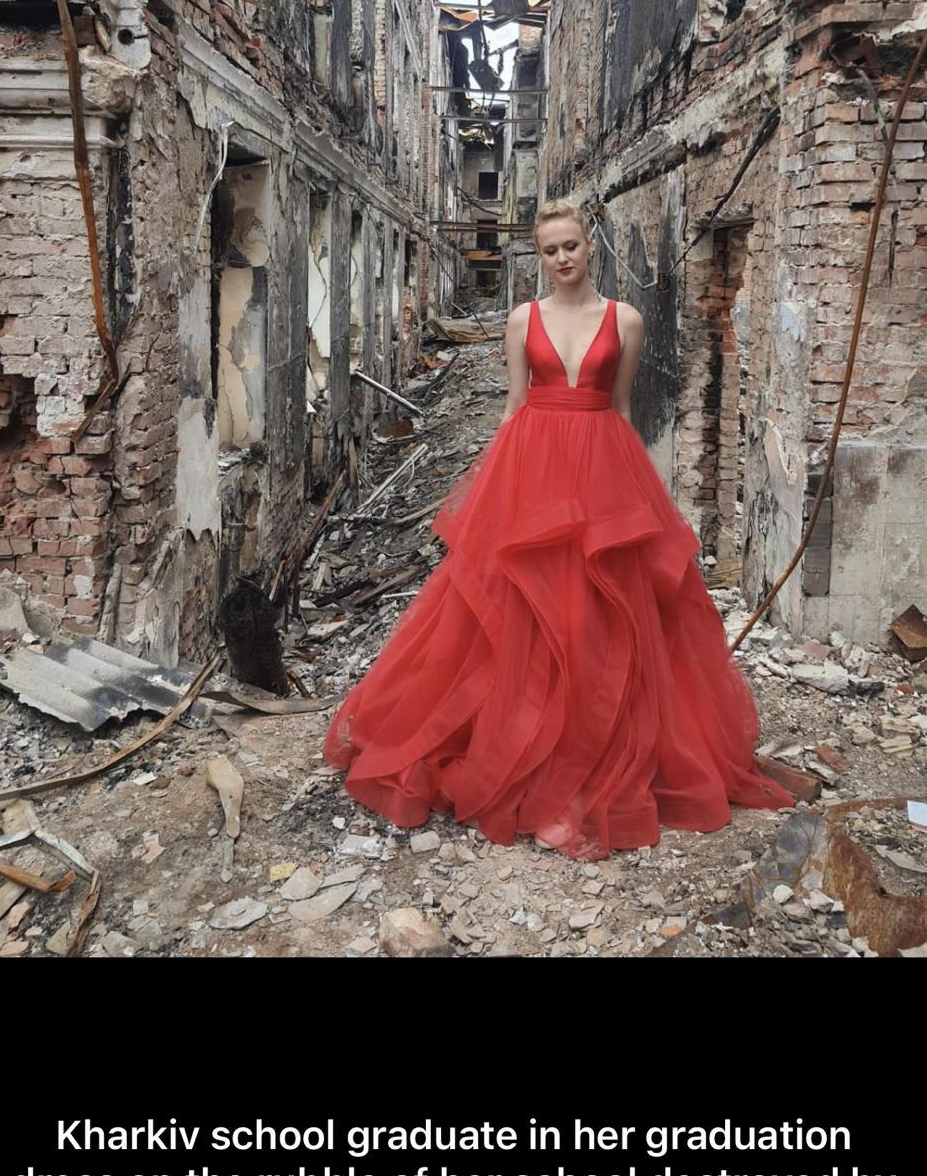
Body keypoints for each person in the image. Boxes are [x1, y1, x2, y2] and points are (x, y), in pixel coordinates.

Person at [324, 199, 793, 858]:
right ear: (540, 257)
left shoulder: (625, 320)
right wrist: (497, 497)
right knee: (524, 612)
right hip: (534, 466)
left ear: (588, 247)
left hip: (604, 465)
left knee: (603, 615)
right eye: (550, 250)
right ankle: (524, 748)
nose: (563, 257)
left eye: (571, 245)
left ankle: (592, 753)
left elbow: (621, 408)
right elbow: (515, 407)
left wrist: (636, 501)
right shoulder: (523, 320)